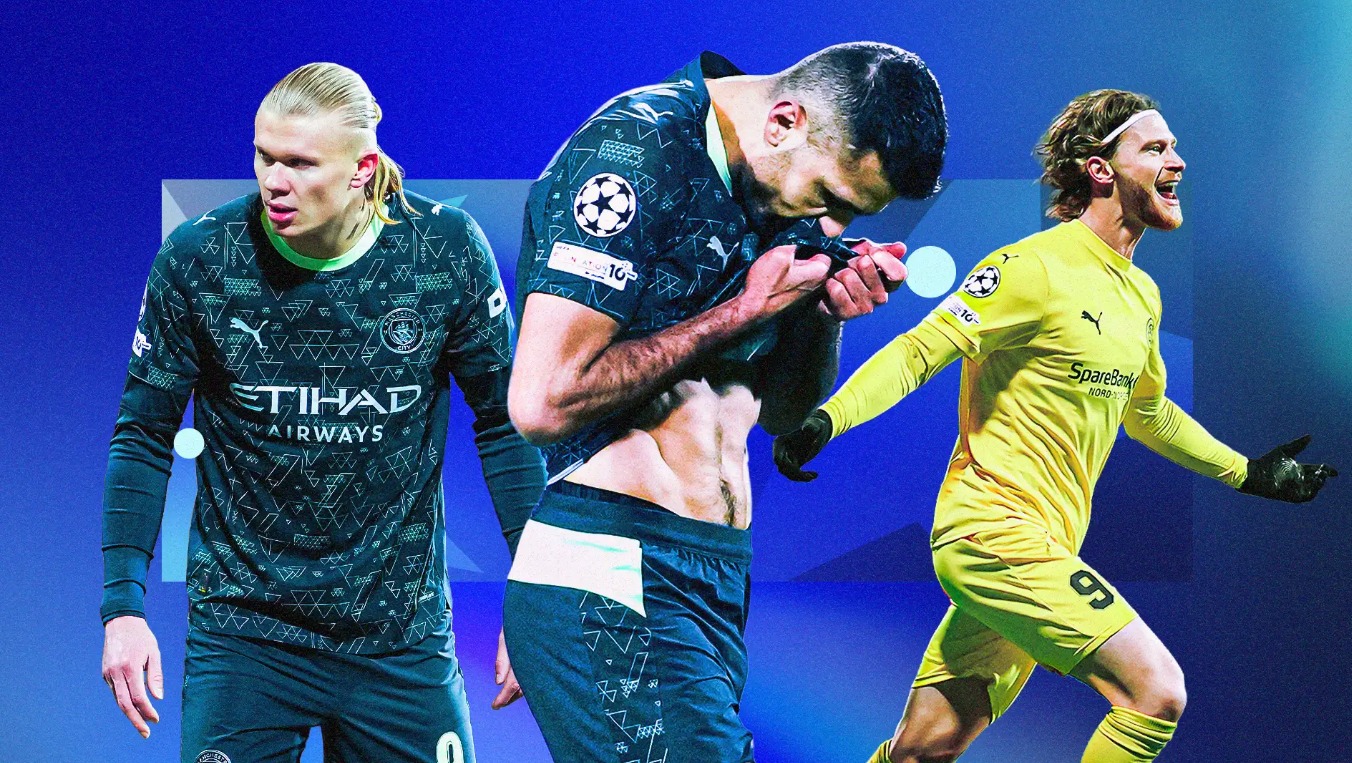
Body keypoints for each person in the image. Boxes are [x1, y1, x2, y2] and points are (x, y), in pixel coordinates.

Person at [773, 89, 1338, 763]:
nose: (1178, 161)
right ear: (1101, 170)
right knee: (1155, 691)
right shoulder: (1030, 266)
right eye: (1156, 148)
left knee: (923, 751)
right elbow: (922, 349)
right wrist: (826, 419)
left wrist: (1247, 472)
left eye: (1174, 147)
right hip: (992, 532)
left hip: (1047, 543)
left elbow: (1147, 411)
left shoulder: (1141, 294)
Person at [500, 44, 947, 761]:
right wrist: (740, 312)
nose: (832, 225)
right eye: (832, 199)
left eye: (852, 213)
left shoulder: (786, 180)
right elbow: (543, 403)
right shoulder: (635, 151)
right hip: (613, 565)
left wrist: (823, 307)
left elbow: (779, 414)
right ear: (784, 121)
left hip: (716, 574)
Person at [99, 62, 544, 763]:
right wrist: (123, 607)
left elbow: (506, 423)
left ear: (362, 169)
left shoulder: (445, 252)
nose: (273, 181)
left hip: (398, 637)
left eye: (300, 163)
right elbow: (145, 435)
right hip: (245, 635)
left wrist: (535, 594)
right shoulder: (200, 259)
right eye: (263, 157)